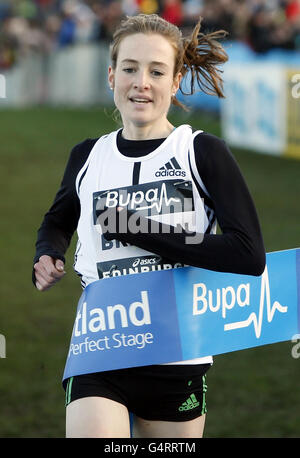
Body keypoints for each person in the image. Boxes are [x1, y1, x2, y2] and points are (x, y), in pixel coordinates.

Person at [33, 13, 266, 438]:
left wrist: (139, 228)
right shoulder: (87, 156)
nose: (142, 81)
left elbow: (248, 254)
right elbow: (57, 220)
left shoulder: (202, 152)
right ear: (111, 75)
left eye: (157, 71)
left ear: (175, 81)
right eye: (130, 68)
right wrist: (46, 253)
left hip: (177, 353)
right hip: (100, 345)